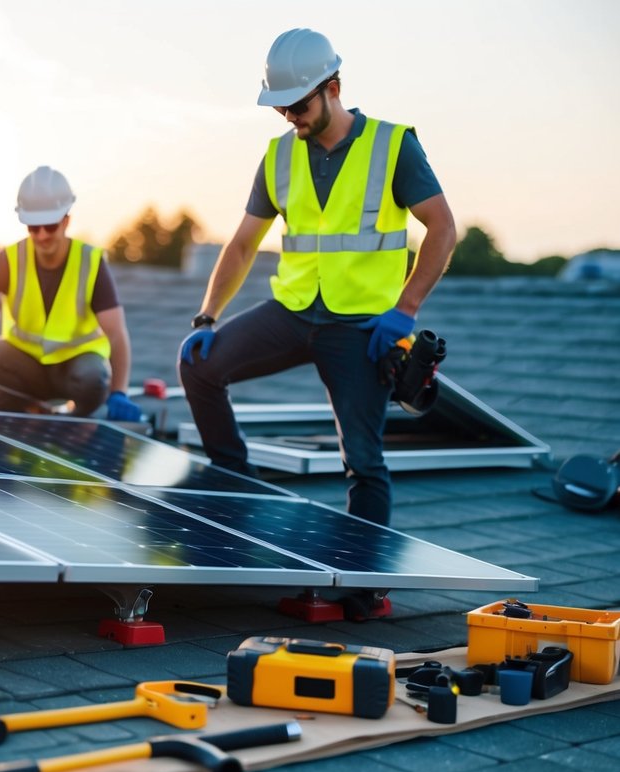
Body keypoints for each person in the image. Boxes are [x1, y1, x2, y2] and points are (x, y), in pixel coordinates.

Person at [178, 28, 456, 526]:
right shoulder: (279, 156)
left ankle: (363, 585)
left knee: (363, 462)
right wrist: (206, 317)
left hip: (364, 328)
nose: (290, 117)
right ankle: (238, 488)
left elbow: (442, 228)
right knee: (200, 368)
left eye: (298, 104)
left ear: (333, 86)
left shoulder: (393, 145)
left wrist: (405, 310)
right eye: (280, 107)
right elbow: (242, 243)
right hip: (291, 311)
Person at [0, 166, 142, 422]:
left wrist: (119, 392)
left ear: (66, 220)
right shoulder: (7, 261)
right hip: (26, 371)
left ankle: (75, 422)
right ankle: (30, 404)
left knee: (94, 377)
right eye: (34, 228)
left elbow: (116, 333)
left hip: (76, 374)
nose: (42, 235)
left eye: (50, 226)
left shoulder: (90, 262)